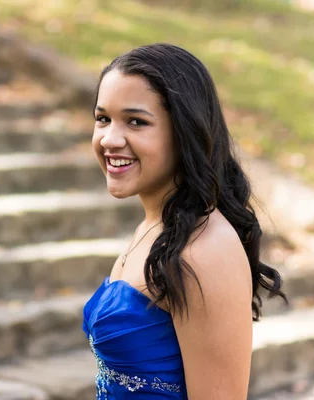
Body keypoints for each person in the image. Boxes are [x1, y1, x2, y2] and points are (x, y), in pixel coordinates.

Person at [82, 43, 286, 400]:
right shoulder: (157, 227)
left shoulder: (206, 250)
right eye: (103, 119)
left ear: (185, 132)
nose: (110, 139)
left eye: (136, 121)